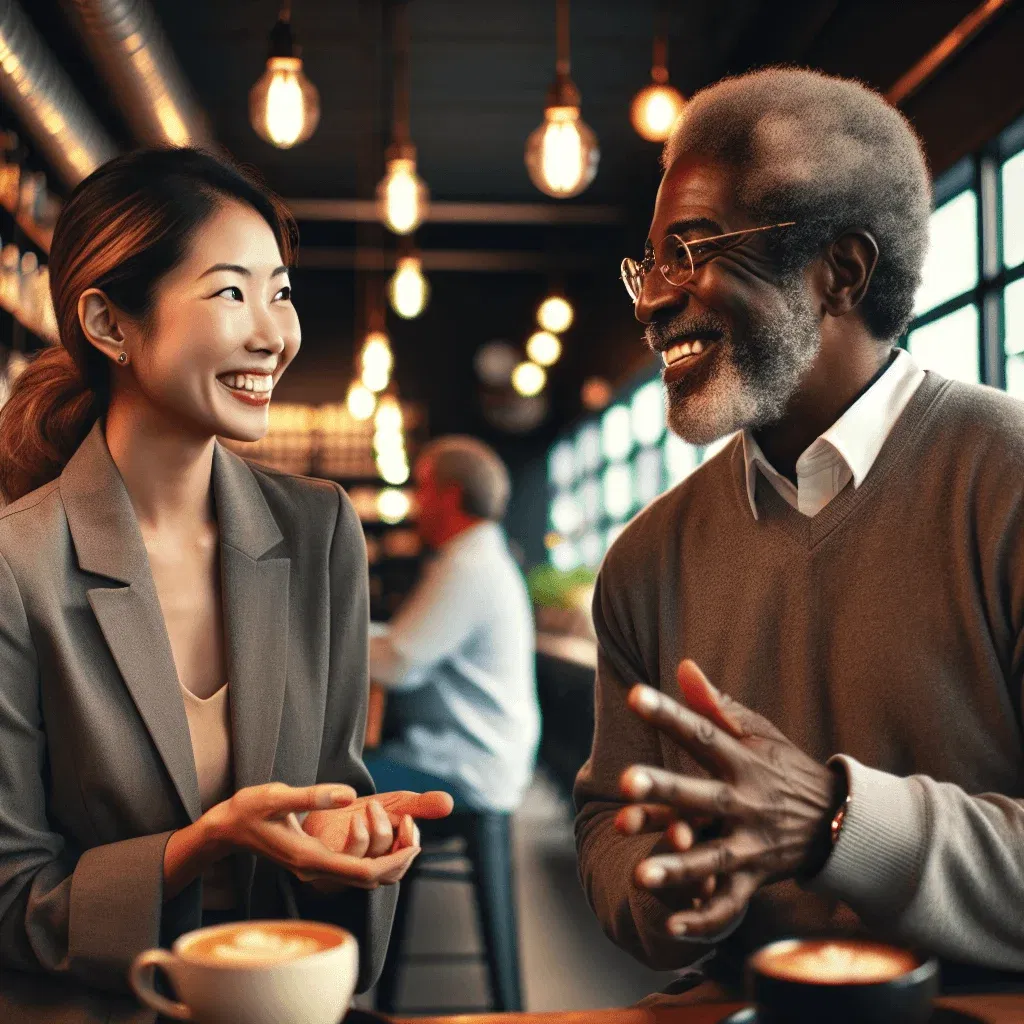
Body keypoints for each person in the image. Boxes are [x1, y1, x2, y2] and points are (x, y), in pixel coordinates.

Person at [574, 67, 1024, 1001]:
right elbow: (605, 825)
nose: (652, 301)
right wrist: (670, 878)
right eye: (649, 264)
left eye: (690, 250)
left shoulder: (1006, 481)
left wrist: (832, 821)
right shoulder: (645, 562)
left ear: (841, 272)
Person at [0, 148, 451, 1024]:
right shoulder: (19, 567)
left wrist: (348, 839)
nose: (273, 334)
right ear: (109, 323)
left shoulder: (319, 531)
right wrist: (198, 845)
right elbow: (12, 897)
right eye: (231, 293)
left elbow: (334, 787)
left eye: (280, 293)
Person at [367, 436, 539, 812]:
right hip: (477, 756)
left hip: (466, 767)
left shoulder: (470, 565)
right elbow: (404, 645)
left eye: (422, 488)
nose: (416, 502)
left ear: (450, 496)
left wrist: (322, 636)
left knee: (330, 783)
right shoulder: (477, 555)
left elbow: (399, 663)